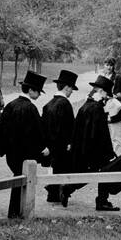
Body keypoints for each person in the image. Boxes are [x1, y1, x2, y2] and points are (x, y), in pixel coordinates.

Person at [0, 70, 49, 219]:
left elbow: (2, 130)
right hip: (25, 153)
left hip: (11, 153)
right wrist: (42, 149)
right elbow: (36, 134)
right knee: (22, 180)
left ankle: (15, 211)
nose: (39, 95)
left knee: (17, 178)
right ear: (31, 90)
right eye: (38, 92)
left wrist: (0, 148)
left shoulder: (11, 105)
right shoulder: (30, 108)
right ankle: (15, 212)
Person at [71, 74, 121, 211]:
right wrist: (109, 152)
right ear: (100, 91)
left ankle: (68, 188)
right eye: (106, 95)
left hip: (84, 147)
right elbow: (102, 134)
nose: (106, 98)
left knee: (88, 171)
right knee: (105, 170)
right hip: (97, 148)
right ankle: (102, 201)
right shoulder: (97, 109)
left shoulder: (85, 106)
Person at [42, 69, 78, 205]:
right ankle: (59, 192)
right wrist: (70, 142)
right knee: (62, 169)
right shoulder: (65, 104)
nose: (72, 92)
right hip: (62, 144)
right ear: (67, 87)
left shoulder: (48, 104)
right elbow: (70, 127)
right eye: (71, 88)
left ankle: (52, 193)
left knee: (53, 168)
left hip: (50, 144)